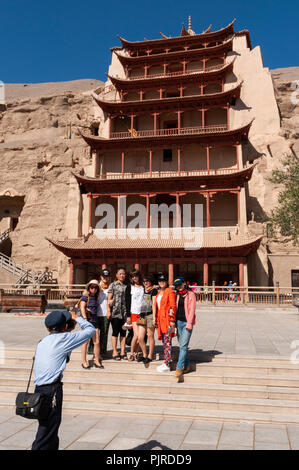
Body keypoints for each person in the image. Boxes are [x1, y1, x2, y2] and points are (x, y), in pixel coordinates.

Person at [31, 310, 95, 450]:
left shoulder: (43, 341)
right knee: (46, 432)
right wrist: (77, 317)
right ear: (65, 326)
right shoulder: (65, 339)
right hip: (51, 391)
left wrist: (67, 327)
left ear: (48, 328)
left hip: (39, 390)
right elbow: (90, 330)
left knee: (50, 429)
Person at [173, 277, 197, 381]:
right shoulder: (177, 295)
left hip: (187, 322)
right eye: (176, 285)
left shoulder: (191, 294)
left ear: (184, 283)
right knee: (183, 345)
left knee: (183, 346)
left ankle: (179, 368)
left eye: (180, 284)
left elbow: (192, 310)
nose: (178, 287)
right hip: (178, 322)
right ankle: (187, 365)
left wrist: (189, 323)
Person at [153, 273, 176, 373]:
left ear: (166, 282)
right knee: (164, 341)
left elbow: (173, 306)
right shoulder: (158, 293)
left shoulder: (169, 292)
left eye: (163, 280)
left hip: (167, 319)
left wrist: (172, 320)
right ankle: (167, 360)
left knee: (167, 341)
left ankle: (167, 363)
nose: (161, 282)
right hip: (160, 320)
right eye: (160, 281)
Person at [80, 279, 103, 369]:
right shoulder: (85, 297)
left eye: (95, 287)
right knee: (85, 342)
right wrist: (85, 319)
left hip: (95, 321)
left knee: (96, 342)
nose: (93, 289)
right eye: (92, 287)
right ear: (89, 288)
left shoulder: (96, 297)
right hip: (87, 321)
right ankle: (84, 361)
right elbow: (82, 308)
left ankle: (96, 360)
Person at [107, 267, 127, 360]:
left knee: (123, 332)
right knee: (115, 332)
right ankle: (115, 351)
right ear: (116, 275)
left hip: (124, 313)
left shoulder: (127, 286)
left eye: (123, 274)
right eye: (120, 273)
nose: (122, 275)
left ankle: (123, 351)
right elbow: (109, 299)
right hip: (115, 312)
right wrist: (108, 310)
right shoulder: (113, 285)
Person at [137, 274, 157, 364]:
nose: (145, 283)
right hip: (142, 315)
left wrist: (154, 317)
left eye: (147, 281)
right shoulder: (142, 290)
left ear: (150, 281)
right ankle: (144, 354)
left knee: (150, 336)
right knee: (140, 337)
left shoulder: (153, 290)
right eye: (144, 281)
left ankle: (150, 355)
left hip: (150, 314)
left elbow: (154, 304)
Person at [125, 270, 144, 362]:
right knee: (136, 335)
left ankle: (137, 353)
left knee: (141, 336)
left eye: (136, 276)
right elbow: (127, 302)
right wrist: (128, 315)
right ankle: (131, 353)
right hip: (134, 313)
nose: (134, 278)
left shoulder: (143, 287)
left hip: (142, 313)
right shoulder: (129, 287)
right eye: (132, 276)